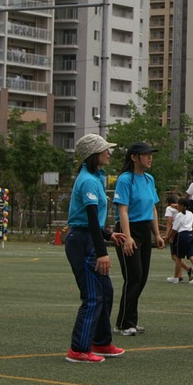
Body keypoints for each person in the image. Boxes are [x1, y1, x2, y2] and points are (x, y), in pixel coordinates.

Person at [64, 134, 126, 363]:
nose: (109, 153)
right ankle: (78, 349)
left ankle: (101, 342)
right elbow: (89, 220)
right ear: (93, 155)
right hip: (83, 242)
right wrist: (102, 252)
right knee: (92, 296)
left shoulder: (95, 177)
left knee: (105, 292)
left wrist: (109, 233)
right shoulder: (89, 181)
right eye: (104, 150)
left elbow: (94, 221)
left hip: (89, 237)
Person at [112, 141, 163, 336]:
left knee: (141, 278)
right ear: (134, 157)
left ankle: (127, 319)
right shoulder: (125, 179)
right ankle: (125, 323)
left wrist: (157, 234)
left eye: (151, 154)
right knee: (133, 277)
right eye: (145, 154)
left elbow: (152, 208)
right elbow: (122, 210)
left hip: (144, 230)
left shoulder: (149, 179)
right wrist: (127, 237)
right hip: (128, 230)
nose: (150, 157)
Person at [169, 198, 193, 283]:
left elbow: (174, 229)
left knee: (179, 257)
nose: (178, 207)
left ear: (182, 206)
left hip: (182, 236)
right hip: (190, 235)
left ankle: (176, 277)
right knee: (192, 256)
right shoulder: (190, 214)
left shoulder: (179, 215)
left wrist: (168, 238)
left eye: (179, 205)